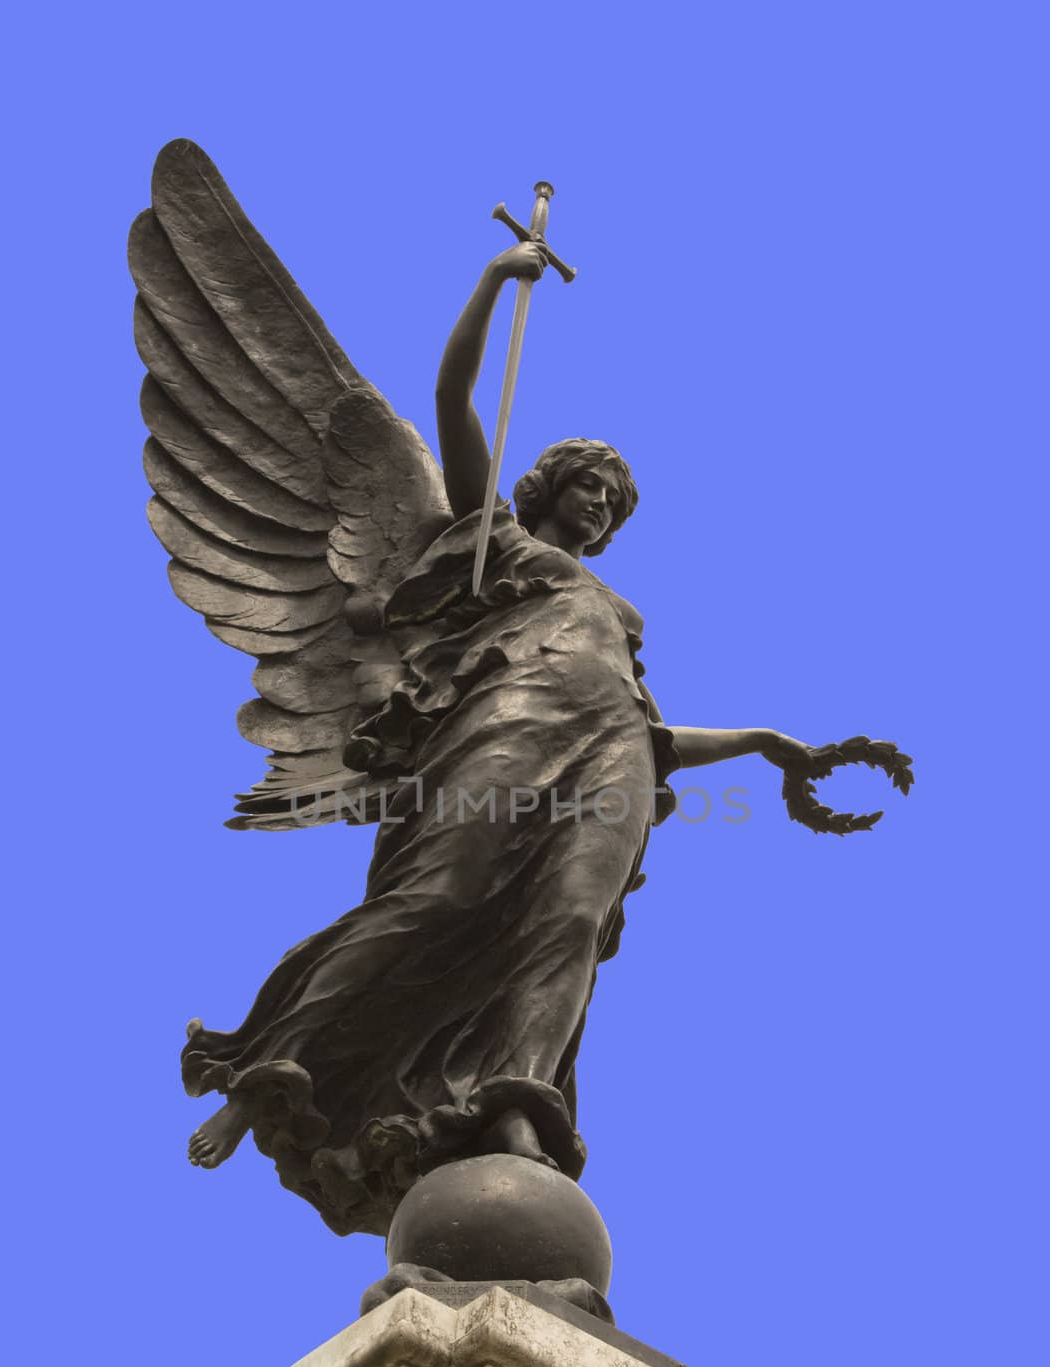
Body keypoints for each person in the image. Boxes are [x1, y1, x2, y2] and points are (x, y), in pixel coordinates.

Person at [183, 240, 815, 1238]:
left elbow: (645, 729)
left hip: (613, 752)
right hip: (498, 732)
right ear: (548, 482)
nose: (602, 500)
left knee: (565, 925)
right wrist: (495, 278)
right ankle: (274, 1065)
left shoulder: (615, 614)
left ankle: (517, 1106)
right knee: (435, 897)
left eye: (616, 498)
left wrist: (760, 742)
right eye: (590, 481)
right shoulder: (493, 546)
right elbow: (452, 395)